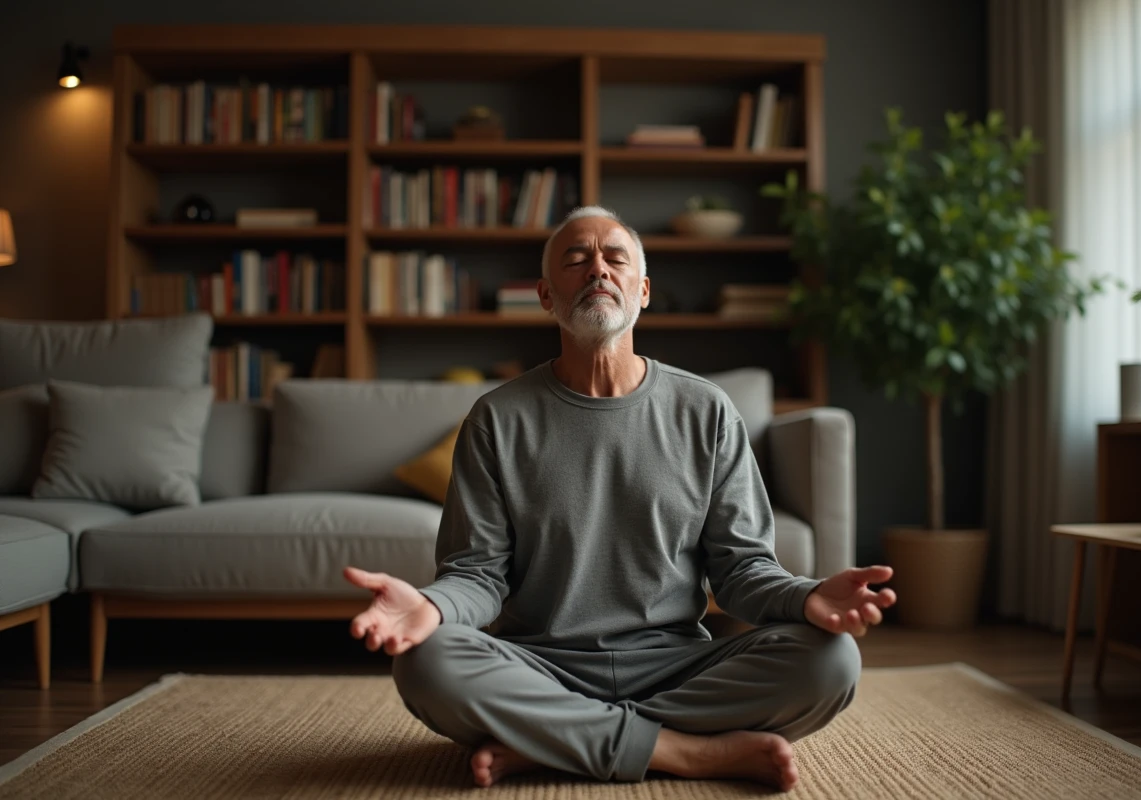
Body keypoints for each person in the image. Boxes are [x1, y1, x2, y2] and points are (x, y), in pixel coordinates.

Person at [343, 206, 897, 792]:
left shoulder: (706, 411)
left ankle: (555, 743)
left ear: (644, 289)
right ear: (546, 295)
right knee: (427, 661)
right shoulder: (496, 419)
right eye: (576, 260)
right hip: (540, 667)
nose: (598, 270)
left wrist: (807, 597)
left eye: (616, 258)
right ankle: (683, 751)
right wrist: (431, 608)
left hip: (676, 666)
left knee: (832, 661)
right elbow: (478, 575)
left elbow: (742, 572)